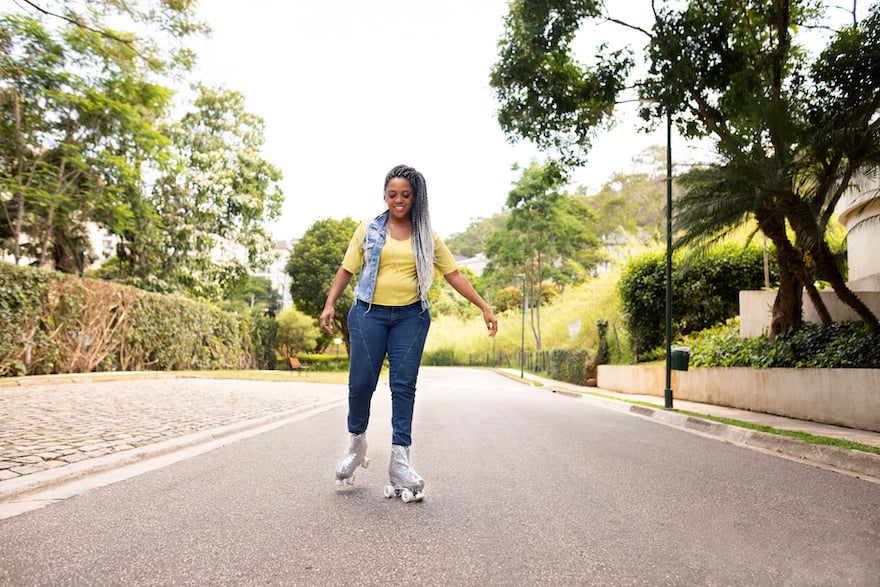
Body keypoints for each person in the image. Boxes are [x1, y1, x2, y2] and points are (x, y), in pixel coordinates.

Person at [320, 164, 498, 502]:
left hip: (411, 318)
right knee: (361, 384)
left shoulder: (426, 234)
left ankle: (400, 460)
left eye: (405, 195)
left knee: (403, 387)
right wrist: (330, 304)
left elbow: (453, 273)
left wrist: (483, 306)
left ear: (415, 197)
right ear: (384, 196)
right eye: (392, 195)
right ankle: (356, 444)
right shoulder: (368, 229)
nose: (398, 200)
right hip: (368, 314)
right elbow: (347, 269)